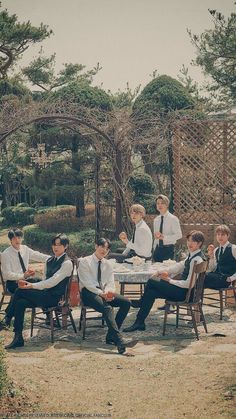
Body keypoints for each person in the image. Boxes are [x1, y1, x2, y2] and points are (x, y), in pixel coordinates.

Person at [0, 234, 73, 349]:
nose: (55, 247)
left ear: (66, 246)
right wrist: (34, 284)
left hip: (53, 298)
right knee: (20, 303)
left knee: (20, 291)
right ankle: (18, 337)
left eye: (59, 245)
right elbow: (44, 280)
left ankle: (7, 319)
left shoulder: (67, 263)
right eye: (54, 244)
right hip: (44, 295)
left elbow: (52, 282)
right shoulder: (49, 260)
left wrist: (32, 286)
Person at [123, 230, 205, 332]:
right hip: (183, 291)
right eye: (188, 240)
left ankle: (140, 303)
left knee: (152, 282)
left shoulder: (196, 260)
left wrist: (169, 280)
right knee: (151, 293)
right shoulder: (192, 256)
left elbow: (189, 284)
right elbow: (176, 267)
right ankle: (139, 322)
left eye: (193, 241)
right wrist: (159, 271)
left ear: (199, 243)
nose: (189, 243)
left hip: (185, 294)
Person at [78, 238, 131, 354]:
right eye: (102, 247)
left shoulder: (108, 264)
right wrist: (102, 294)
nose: (104, 250)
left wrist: (109, 292)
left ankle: (110, 336)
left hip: (103, 292)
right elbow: (87, 283)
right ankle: (119, 340)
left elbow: (110, 283)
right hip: (88, 292)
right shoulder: (84, 261)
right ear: (96, 246)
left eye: (106, 249)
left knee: (126, 302)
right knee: (107, 308)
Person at [1, 228, 50, 296]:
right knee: (35, 287)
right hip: (12, 283)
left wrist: (53, 258)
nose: (17, 240)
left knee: (40, 282)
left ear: (22, 238)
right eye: (14, 238)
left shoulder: (25, 249)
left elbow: (38, 255)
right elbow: (6, 274)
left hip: (26, 280)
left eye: (19, 237)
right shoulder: (6, 254)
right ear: (10, 240)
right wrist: (23, 276)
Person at [204, 224, 236, 290]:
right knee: (200, 277)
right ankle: (195, 298)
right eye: (218, 234)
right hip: (217, 277)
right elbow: (212, 269)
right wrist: (211, 256)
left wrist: (232, 278)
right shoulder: (216, 250)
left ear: (228, 236)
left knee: (201, 278)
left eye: (223, 235)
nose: (220, 237)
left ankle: (194, 299)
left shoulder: (233, 248)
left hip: (227, 280)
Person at [153, 194, 182, 263]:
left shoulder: (173, 219)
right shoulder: (156, 220)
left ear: (167, 205)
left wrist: (164, 237)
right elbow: (156, 237)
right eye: (158, 203)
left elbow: (179, 235)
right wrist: (154, 249)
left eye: (162, 203)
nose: (160, 205)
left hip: (168, 250)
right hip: (157, 250)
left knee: (166, 272)